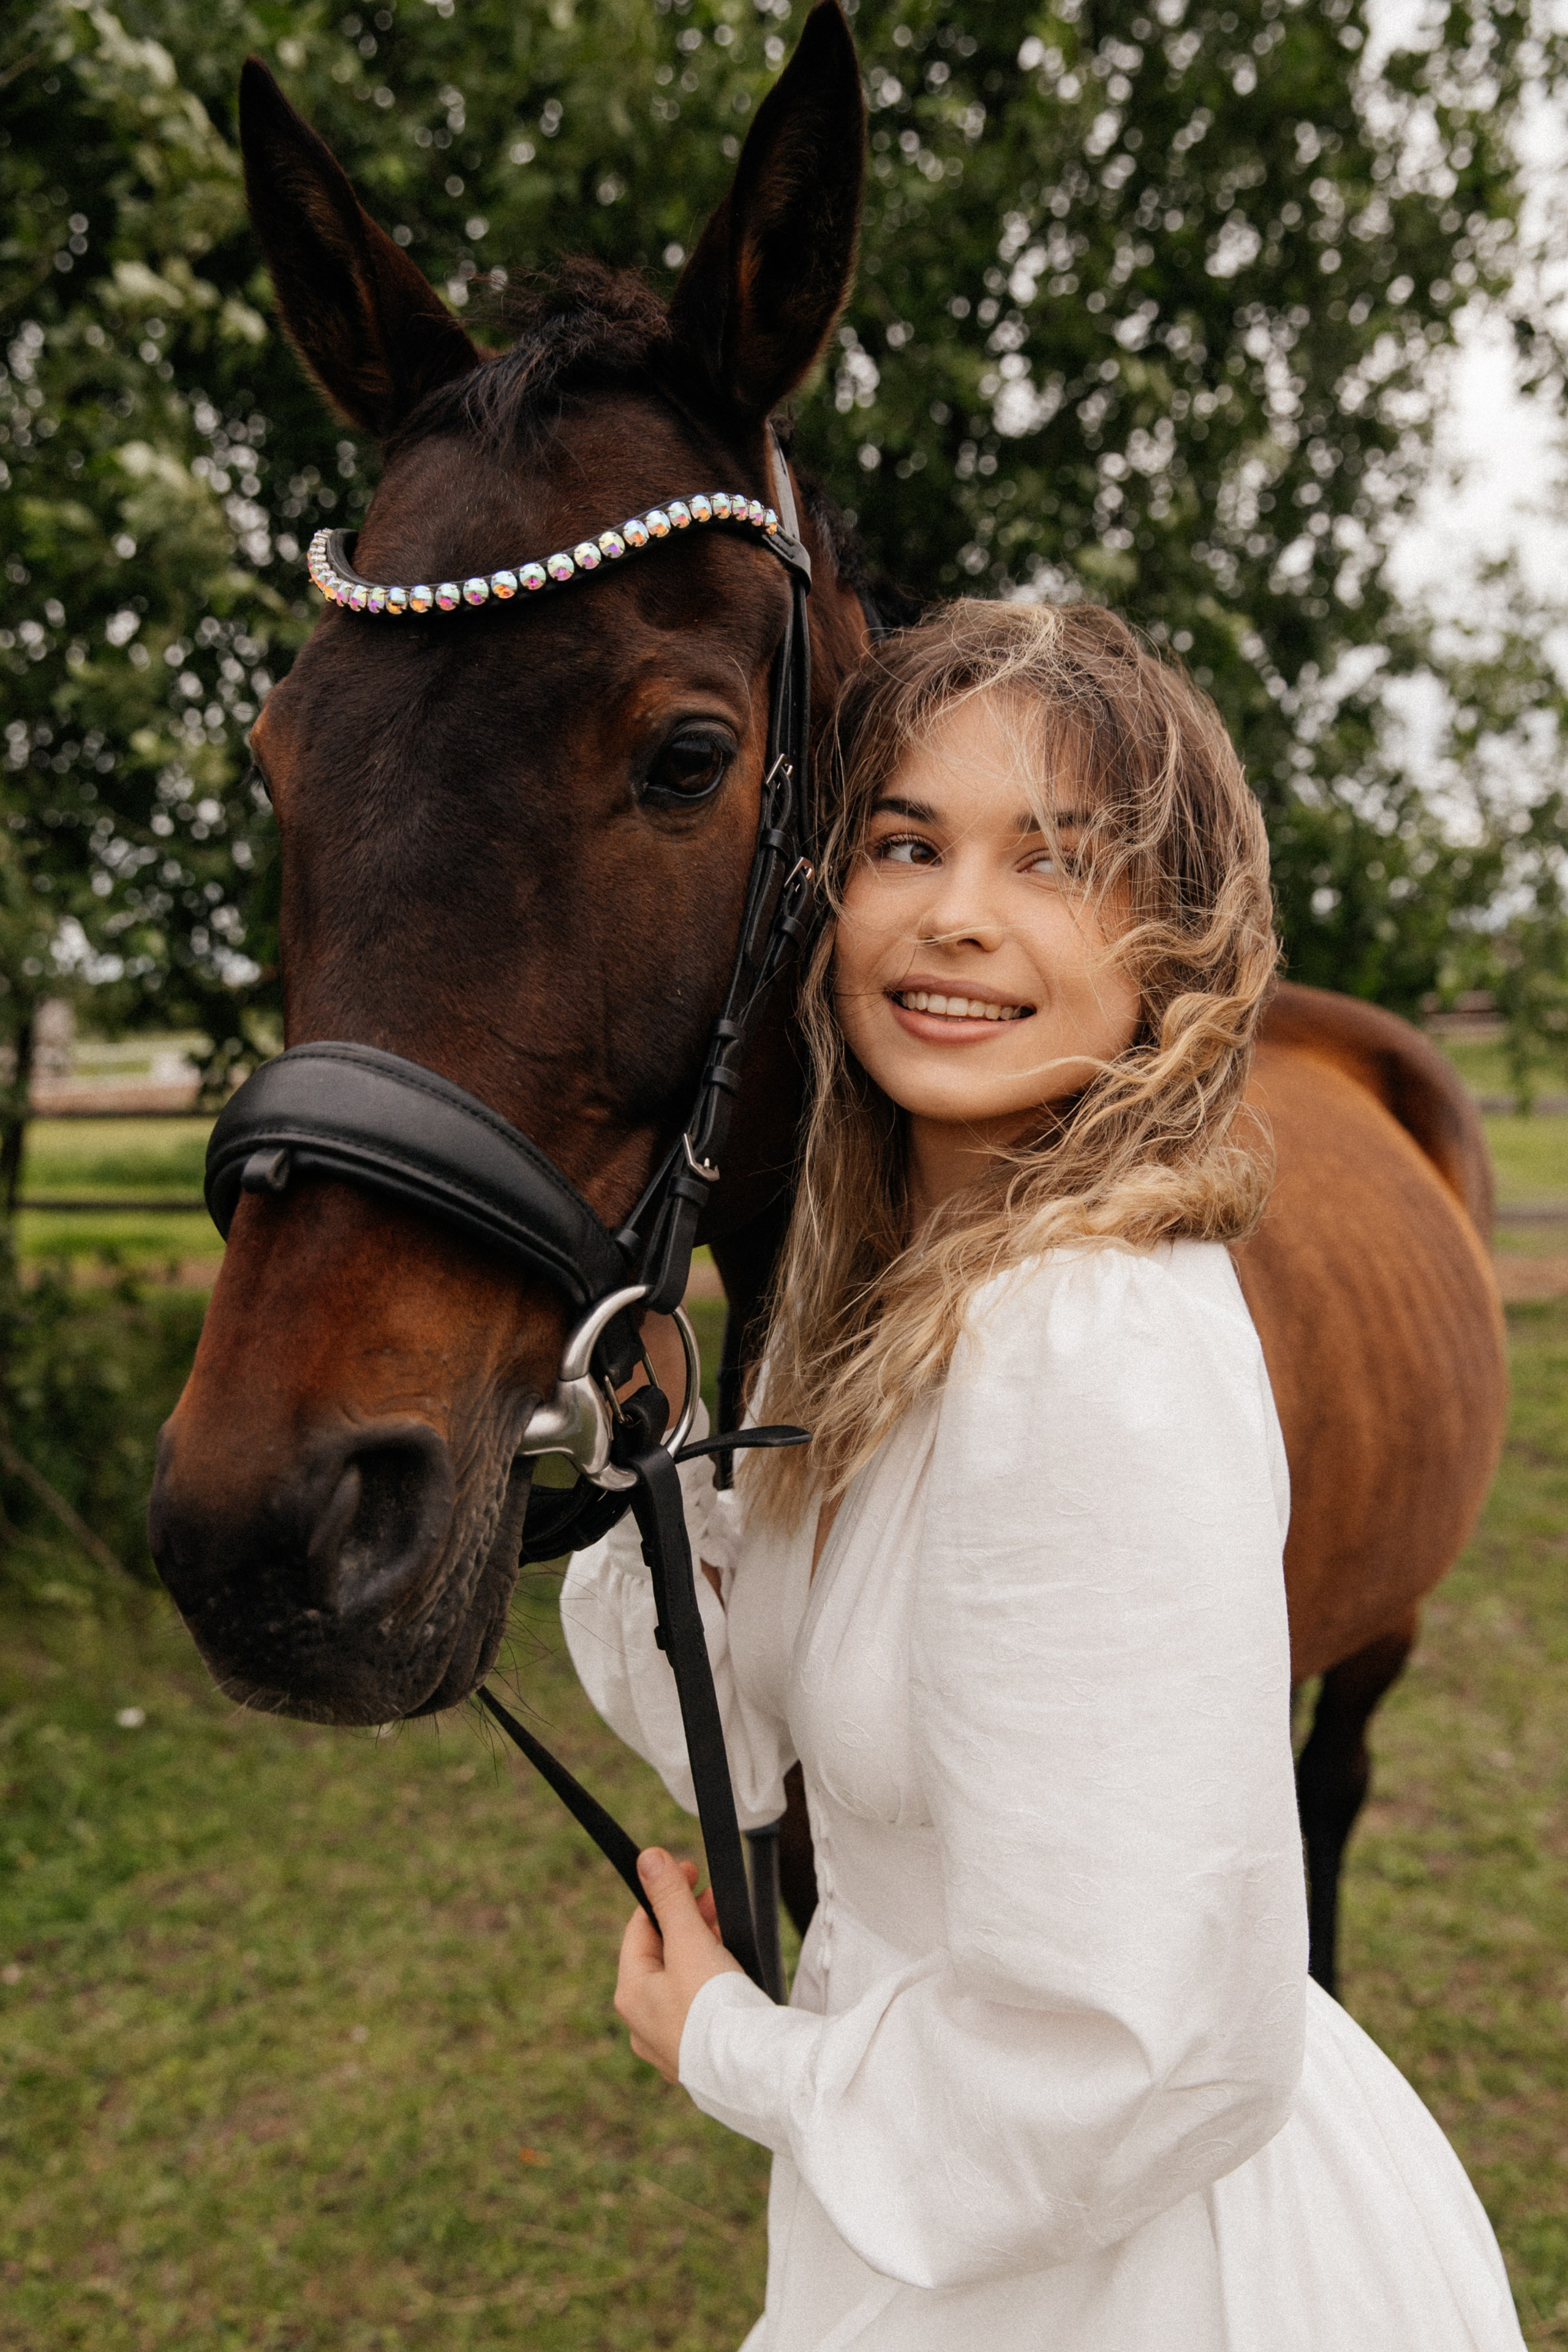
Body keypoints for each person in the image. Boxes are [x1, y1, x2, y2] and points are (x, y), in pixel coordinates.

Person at [561, 600, 1523, 2351]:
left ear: (1171, 947)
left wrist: (731, 2042)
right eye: (905, 843)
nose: (955, 916)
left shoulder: (1085, 1352)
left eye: (1056, 863)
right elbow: (750, 1700)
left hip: (1121, 2275)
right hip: (928, 2228)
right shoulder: (870, 1310)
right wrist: (638, 1441)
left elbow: (1129, 2055)